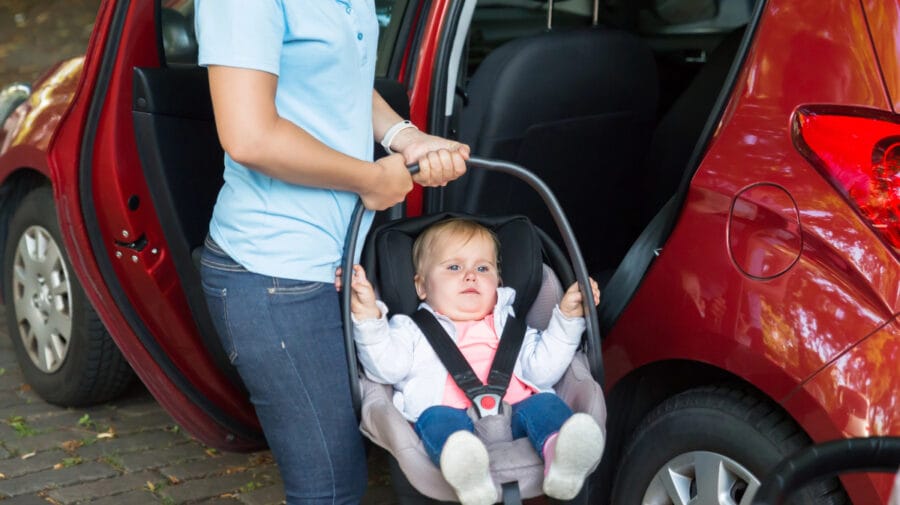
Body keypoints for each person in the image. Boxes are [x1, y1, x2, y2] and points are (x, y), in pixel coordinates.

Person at [194, 2, 469, 504]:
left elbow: (339, 81)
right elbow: (248, 136)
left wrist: (404, 137)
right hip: (273, 273)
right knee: (330, 487)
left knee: (346, 463)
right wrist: (370, 179)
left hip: (337, 262)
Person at [344, 218, 605, 505]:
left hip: (518, 410)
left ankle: (562, 456)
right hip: (448, 413)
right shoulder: (410, 330)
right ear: (421, 286)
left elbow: (543, 370)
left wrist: (568, 319)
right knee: (436, 421)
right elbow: (386, 366)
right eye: (454, 267)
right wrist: (369, 319)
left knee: (547, 405)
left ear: (498, 282)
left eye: (483, 268)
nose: (470, 275)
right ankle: (469, 472)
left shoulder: (512, 327)